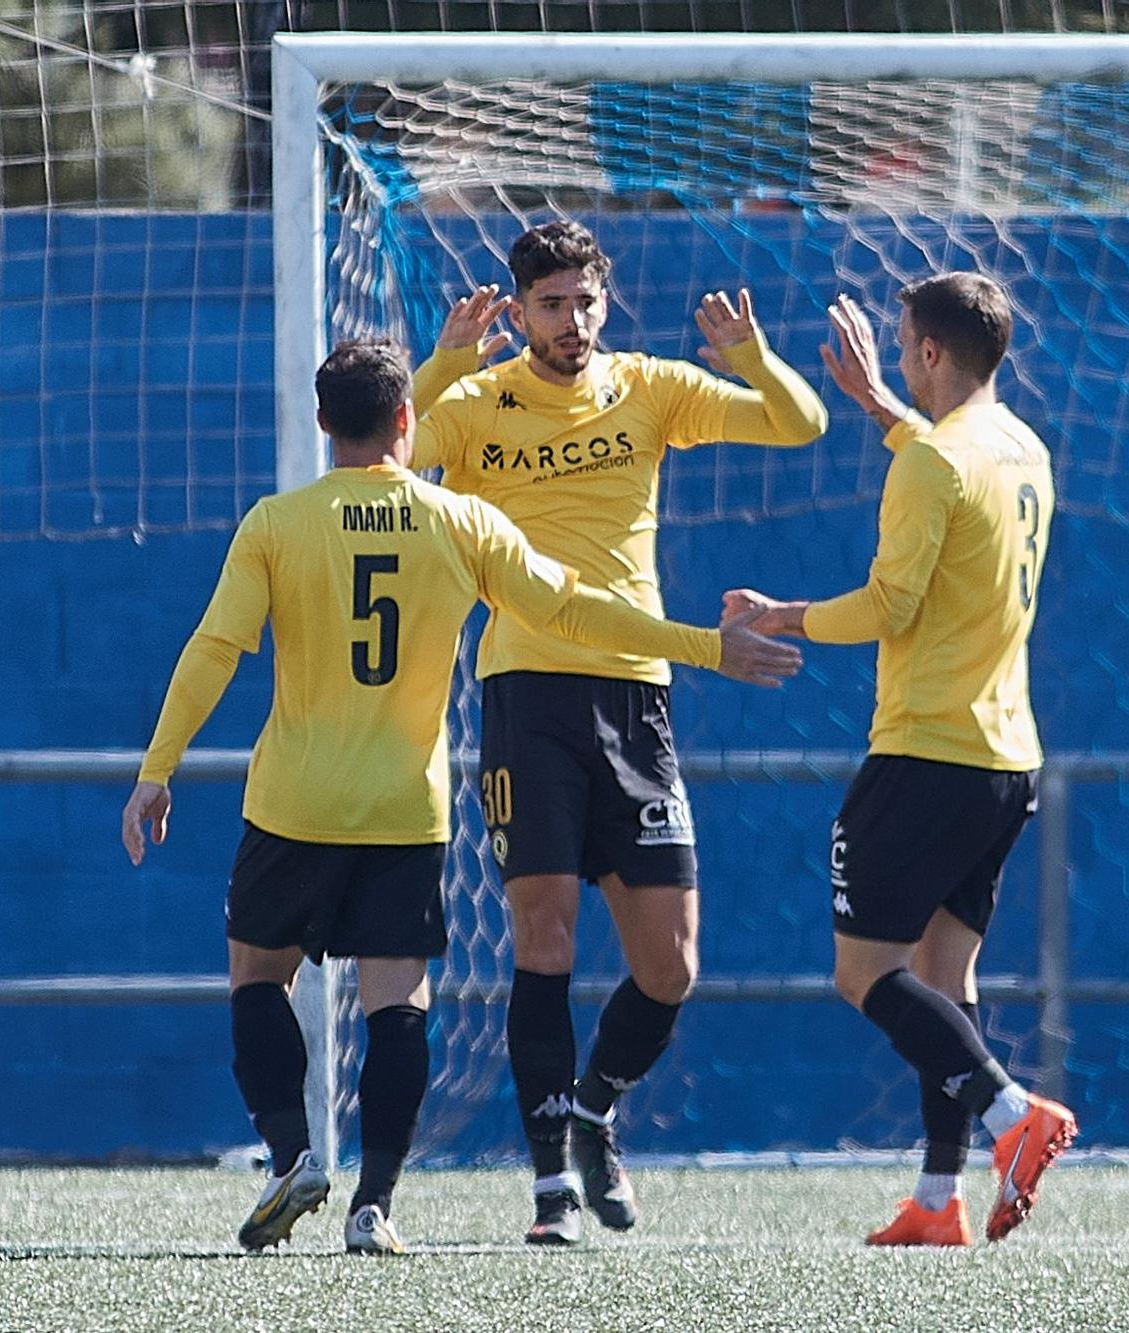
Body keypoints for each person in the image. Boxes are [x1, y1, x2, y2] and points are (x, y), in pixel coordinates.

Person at [120, 338, 800, 1256]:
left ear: (324, 425)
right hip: (407, 810)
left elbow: (213, 650)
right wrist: (707, 645)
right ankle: (376, 1204)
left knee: (257, 975)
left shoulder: (276, 524)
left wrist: (157, 768)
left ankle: (290, 1153)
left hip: (293, 804)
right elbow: (575, 609)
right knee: (397, 1001)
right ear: (408, 420)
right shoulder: (462, 522)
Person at [410, 220, 828, 1244]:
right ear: (519, 311)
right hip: (526, 692)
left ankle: (595, 1106)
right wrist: (443, 360)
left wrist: (751, 357)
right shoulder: (474, 402)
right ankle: (548, 1181)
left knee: (669, 966)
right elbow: (394, 452)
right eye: (549, 304)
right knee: (543, 935)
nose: (571, 321)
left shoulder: (649, 386)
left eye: (584, 302)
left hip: (636, 696)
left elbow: (800, 423)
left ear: (607, 302)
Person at [722, 273, 1077, 1247]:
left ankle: (1011, 1117)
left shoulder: (932, 463)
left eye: (902, 345)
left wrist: (775, 615)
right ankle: (935, 1196)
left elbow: (888, 605)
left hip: (925, 752)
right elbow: (948, 477)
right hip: (1006, 759)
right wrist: (879, 405)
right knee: (942, 974)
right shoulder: (1023, 449)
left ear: (926, 351)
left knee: (863, 972)